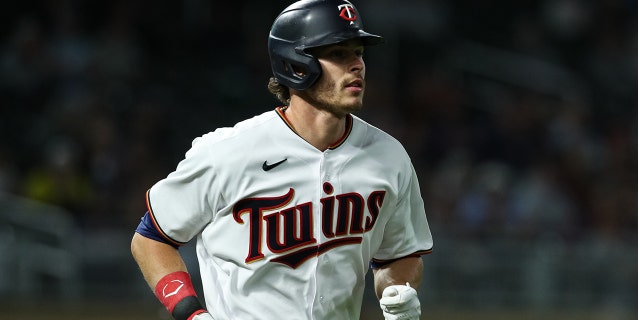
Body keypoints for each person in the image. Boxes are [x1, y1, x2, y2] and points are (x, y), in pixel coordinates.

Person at [130, 0, 433, 319]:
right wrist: (189, 312)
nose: (357, 64)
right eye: (338, 54)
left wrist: (399, 291)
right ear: (296, 64)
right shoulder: (228, 151)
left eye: (358, 52)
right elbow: (151, 239)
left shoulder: (389, 156)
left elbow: (398, 257)